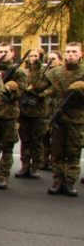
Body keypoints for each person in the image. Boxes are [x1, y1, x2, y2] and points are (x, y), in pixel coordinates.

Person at [36, 41, 84, 196]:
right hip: (59, 117)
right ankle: (57, 181)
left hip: (77, 119)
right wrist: (37, 68)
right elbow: (37, 87)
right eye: (68, 52)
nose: (70, 55)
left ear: (81, 54)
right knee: (57, 152)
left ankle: (70, 183)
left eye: (74, 52)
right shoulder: (55, 72)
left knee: (73, 152)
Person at [0, 42, 26, 189]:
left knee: (7, 147)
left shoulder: (18, 72)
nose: (3, 54)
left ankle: (3, 176)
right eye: (0, 51)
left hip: (9, 115)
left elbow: (20, 93)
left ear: (12, 53)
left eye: (6, 52)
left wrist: (9, 91)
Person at [16, 48, 48, 179]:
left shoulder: (45, 73)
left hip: (38, 112)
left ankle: (35, 166)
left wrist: (38, 93)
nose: (33, 58)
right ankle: (25, 166)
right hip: (24, 111)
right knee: (25, 140)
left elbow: (47, 89)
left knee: (37, 141)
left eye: (36, 56)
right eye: (31, 56)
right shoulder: (24, 72)